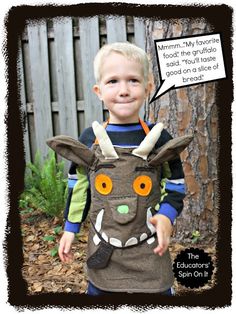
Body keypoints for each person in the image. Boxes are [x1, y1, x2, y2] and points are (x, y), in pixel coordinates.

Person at [58, 42, 187, 296]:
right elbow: (79, 186)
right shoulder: (90, 139)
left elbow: (175, 185)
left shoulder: (160, 139)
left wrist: (166, 215)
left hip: (150, 253)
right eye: (113, 81)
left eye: (133, 81)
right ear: (99, 90)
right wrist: (70, 228)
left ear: (149, 88)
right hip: (104, 254)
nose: (124, 90)